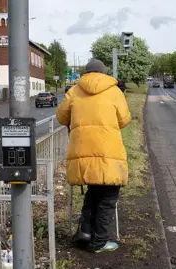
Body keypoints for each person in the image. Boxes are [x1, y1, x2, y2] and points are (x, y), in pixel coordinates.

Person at [56, 59, 131, 253]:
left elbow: (61, 117)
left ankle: (86, 232)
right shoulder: (114, 91)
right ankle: (99, 242)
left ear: (85, 73)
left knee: (93, 193)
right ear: (104, 73)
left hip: (82, 154)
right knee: (107, 198)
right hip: (108, 153)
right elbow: (124, 120)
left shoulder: (74, 91)